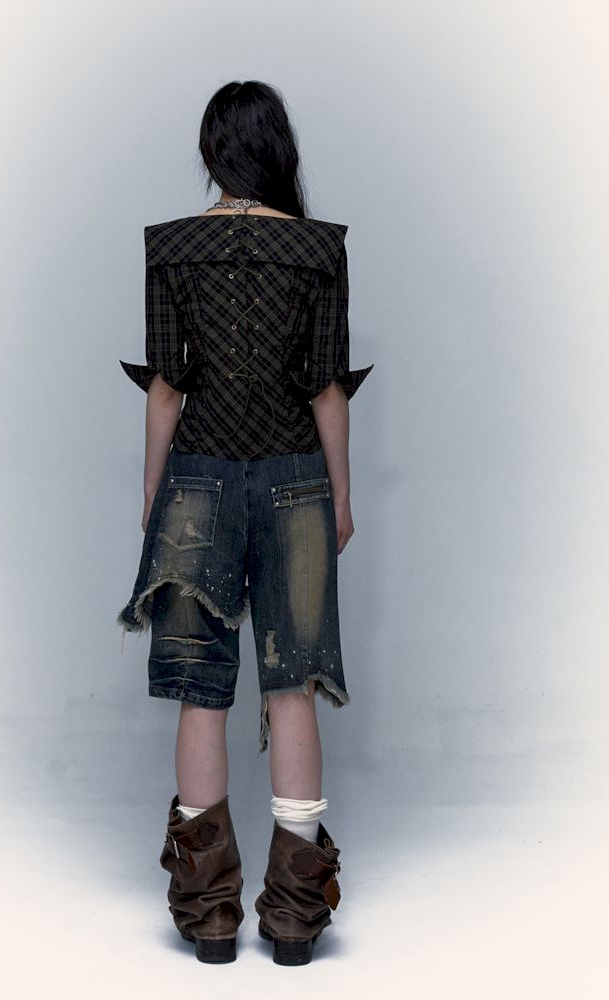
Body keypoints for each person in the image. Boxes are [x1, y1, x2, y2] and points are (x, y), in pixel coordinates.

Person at [115, 80, 374, 966]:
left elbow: (167, 385)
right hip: (296, 478)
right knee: (290, 685)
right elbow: (326, 387)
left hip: (198, 478)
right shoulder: (318, 250)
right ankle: (295, 919)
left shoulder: (171, 247)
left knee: (202, 689)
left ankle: (210, 917)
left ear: (211, 152)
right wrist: (342, 496)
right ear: (277, 149)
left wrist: (154, 493)